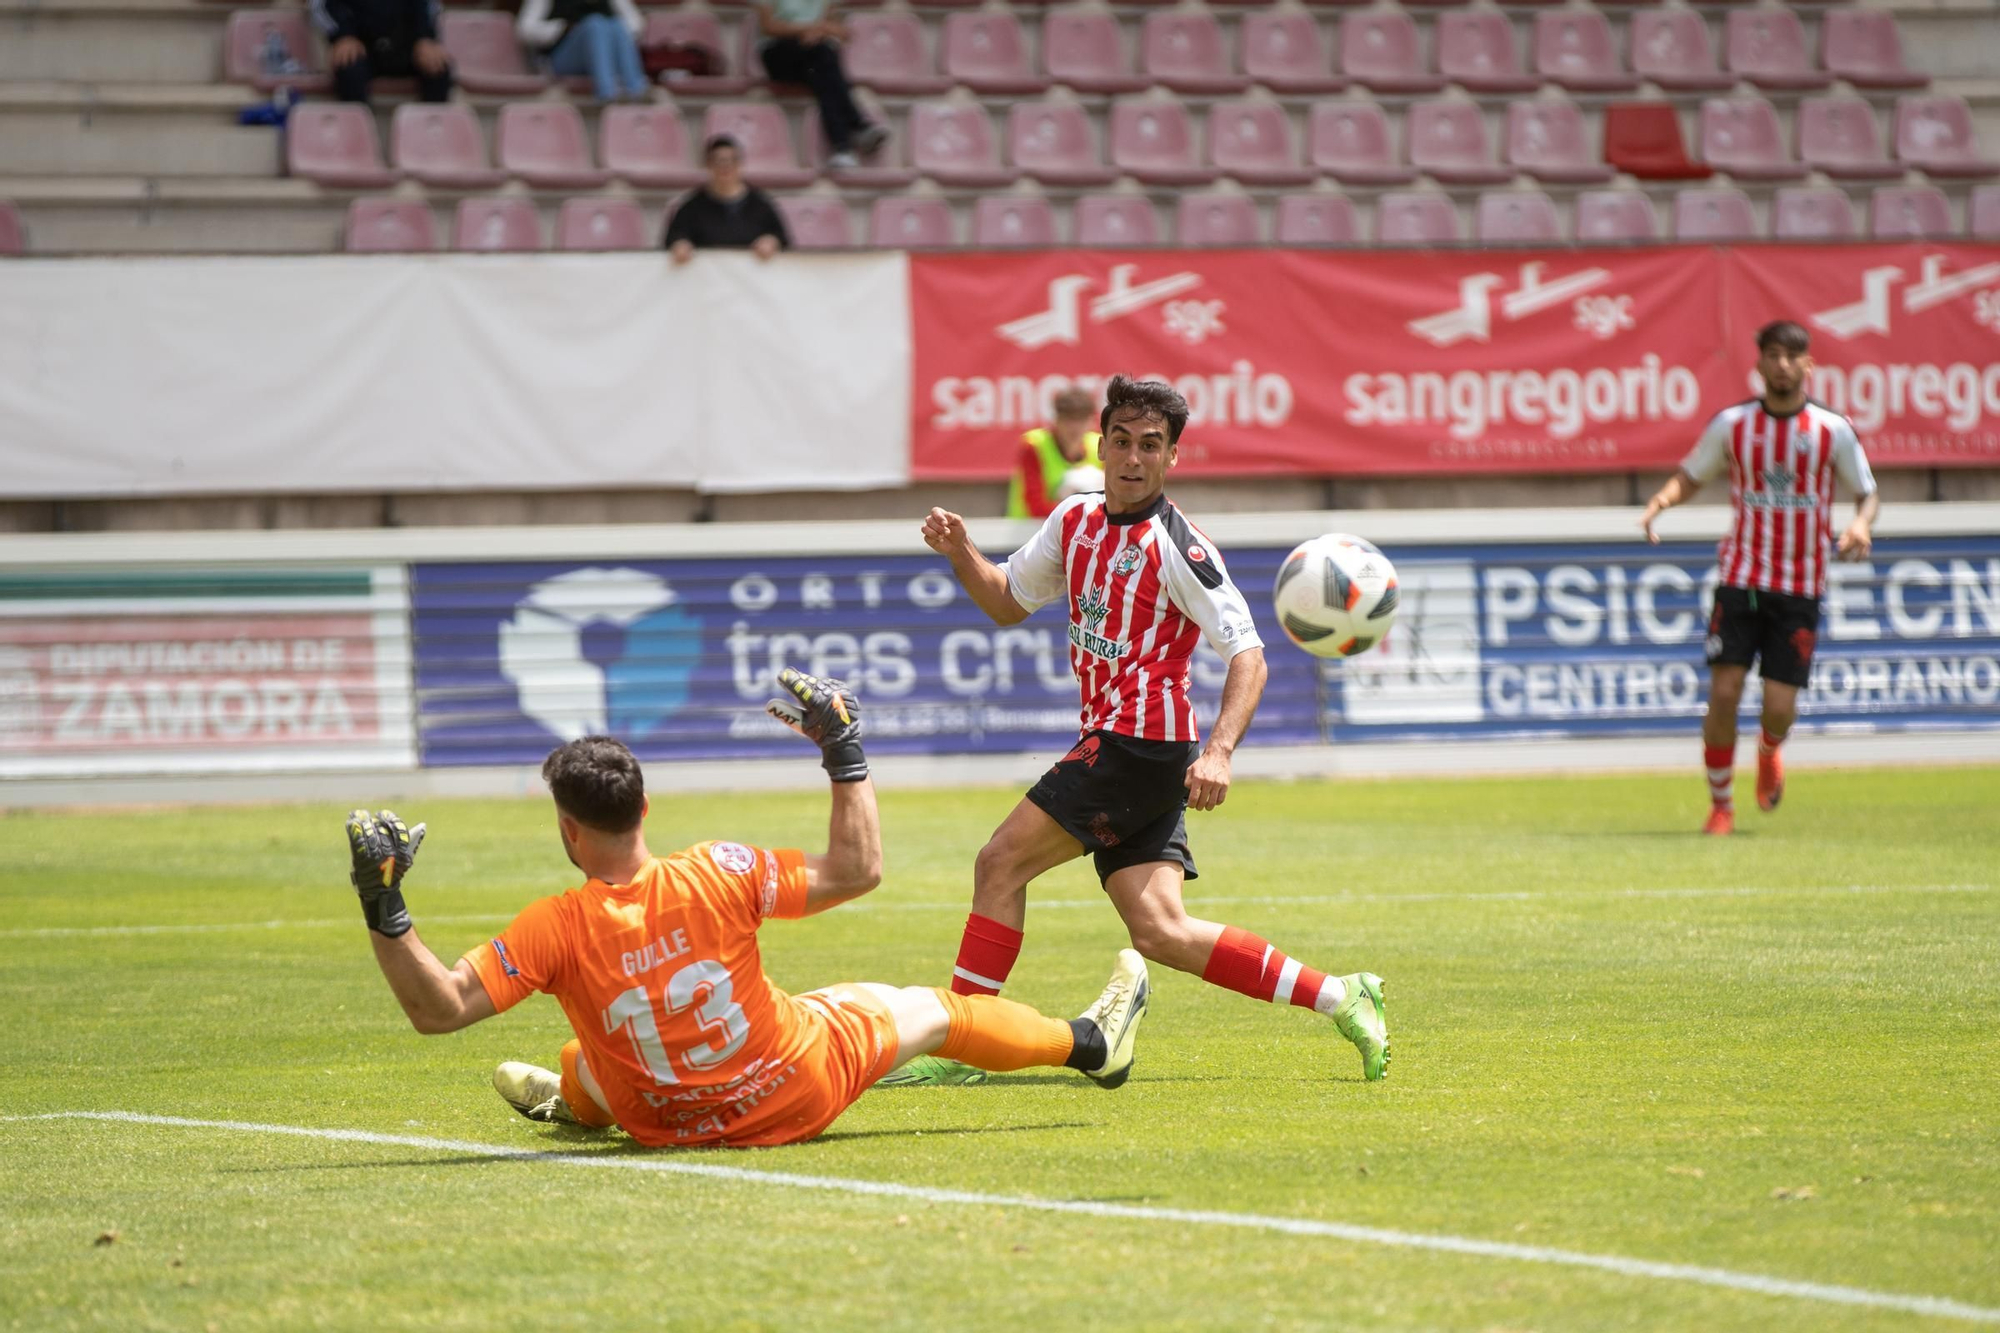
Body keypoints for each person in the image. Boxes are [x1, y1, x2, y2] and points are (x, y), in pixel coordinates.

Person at [342, 668, 1149, 1149]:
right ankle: (1091, 1044)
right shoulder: (717, 871)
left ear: (568, 828)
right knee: (918, 1007)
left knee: (591, 1049)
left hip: (659, 1120)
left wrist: (386, 907)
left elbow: (440, 1008)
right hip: (791, 1089)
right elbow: (858, 869)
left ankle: (575, 1103)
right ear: (645, 807)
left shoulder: (551, 926)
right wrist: (844, 754)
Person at [900, 375, 1390, 1087]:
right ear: (1101, 445)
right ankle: (1345, 995)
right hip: (1136, 751)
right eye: (1122, 441)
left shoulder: (1180, 547)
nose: (1133, 458)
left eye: (1150, 446)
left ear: (1172, 458)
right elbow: (1008, 601)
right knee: (1160, 930)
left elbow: (1249, 655)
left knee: (998, 862)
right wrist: (960, 553)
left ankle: (966, 1043)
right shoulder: (1072, 522)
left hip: (1138, 744)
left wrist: (1220, 751)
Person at [1641, 319, 1879, 836]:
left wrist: (1860, 522)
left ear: (1808, 365)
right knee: (1723, 692)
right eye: (1773, 355)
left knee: (1779, 708)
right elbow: (1692, 473)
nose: (1783, 365)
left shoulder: (1831, 430)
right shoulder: (1732, 425)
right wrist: (1661, 500)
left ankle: (1770, 750)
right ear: (1760, 363)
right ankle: (1721, 806)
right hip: (1741, 578)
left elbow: (1867, 489)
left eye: (1792, 357)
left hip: (1800, 585)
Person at [751, 0, 886, 169]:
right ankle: (857, 126)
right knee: (824, 59)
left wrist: (820, 32)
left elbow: (839, 31)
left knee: (823, 71)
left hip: (811, 56)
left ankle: (843, 149)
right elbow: (768, 26)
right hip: (778, 54)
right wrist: (811, 29)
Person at [663, 136, 790, 264]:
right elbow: (674, 238)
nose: (725, 166)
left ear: (740, 164)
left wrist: (772, 241)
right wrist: (679, 245)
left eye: (731, 160)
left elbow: (783, 240)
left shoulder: (761, 206)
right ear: (708, 164)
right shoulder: (690, 208)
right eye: (719, 161)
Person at [314, 0, 452, 106]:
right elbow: (322, 5)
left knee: (438, 67)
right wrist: (342, 35)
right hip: (360, 46)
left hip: (407, 46)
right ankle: (357, 137)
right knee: (348, 65)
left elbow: (429, 6)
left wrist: (425, 38)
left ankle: (431, 138)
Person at [516, 0, 649, 103]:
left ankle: (636, 91)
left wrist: (607, 33)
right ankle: (607, 94)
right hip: (561, 59)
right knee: (594, 25)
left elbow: (636, 23)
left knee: (616, 24)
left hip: (602, 54)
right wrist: (563, 28)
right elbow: (525, 29)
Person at [1008, 386, 1104, 520]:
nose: (1075, 427)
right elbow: (1036, 507)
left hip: (1080, 533)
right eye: (1068, 419)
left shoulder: (1099, 445)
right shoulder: (1035, 445)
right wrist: (1082, 512)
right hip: (1028, 533)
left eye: (1081, 420)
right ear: (1056, 420)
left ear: (1091, 422)